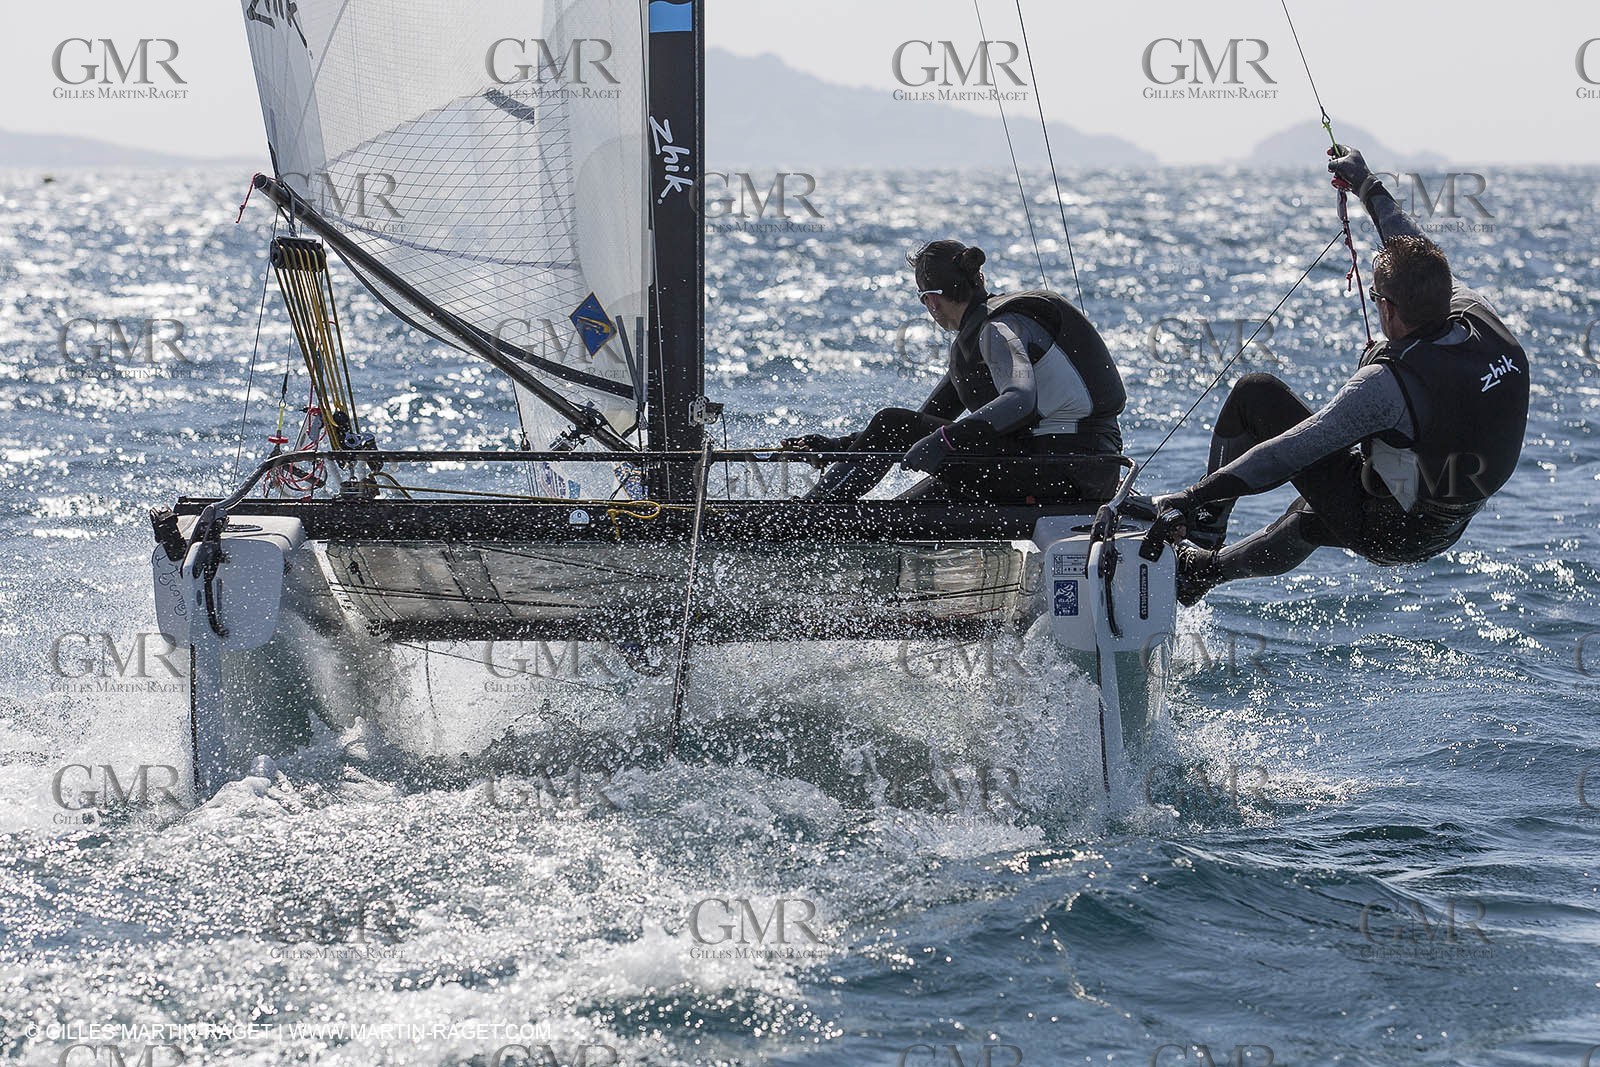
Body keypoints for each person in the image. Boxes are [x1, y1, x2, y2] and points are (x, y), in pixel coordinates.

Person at [1154, 145, 1530, 605]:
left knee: (1256, 395)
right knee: (1314, 512)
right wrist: (1366, 184)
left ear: (1387, 309)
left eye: (1376, 298)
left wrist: (1191, 497)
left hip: (1396, 528)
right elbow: (1414, 246)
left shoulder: (1386, 385)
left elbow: (1289, 453)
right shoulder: (1477, 314)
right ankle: (1201, 571)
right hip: (1446, 524)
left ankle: (1202, 539)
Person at [783, 239, 1128, 502]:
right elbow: (918, 426)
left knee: (892, 420)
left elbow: (1020, 399)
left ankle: (808, 515)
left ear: (931, 300)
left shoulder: (998, 329)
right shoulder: (982, 335)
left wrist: (944, 440)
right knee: (902, 511)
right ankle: (832, 522)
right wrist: (841, 446)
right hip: (1077, 470)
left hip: (1062, 470)